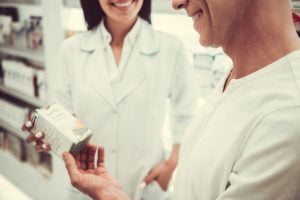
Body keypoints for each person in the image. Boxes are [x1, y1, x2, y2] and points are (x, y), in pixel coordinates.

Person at [60, 0, 300, 199]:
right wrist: (56, 135)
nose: (175, 3)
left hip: (144, 183)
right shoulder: (236, 75)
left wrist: (169, 165)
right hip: (93, 181)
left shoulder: (286, 115)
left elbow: (183, 114)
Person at [22, 0, 196, 199]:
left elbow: (187, 115)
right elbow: (64, 118)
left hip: (146, 185)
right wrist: (51, 135)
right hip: (89, 184)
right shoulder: (71, 50)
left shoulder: (171, 48)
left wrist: (172, 164)